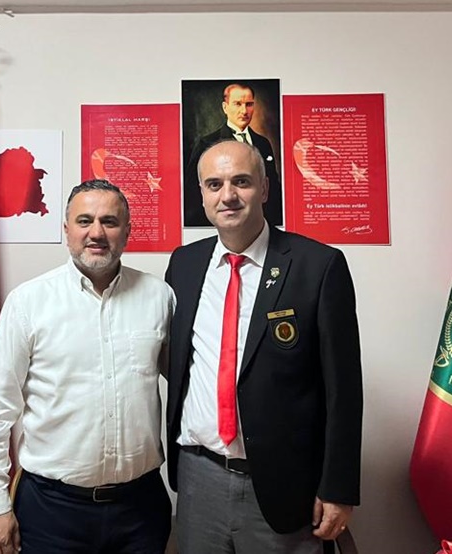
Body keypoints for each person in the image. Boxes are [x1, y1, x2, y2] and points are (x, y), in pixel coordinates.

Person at [165, 140, 362, 554]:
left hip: (283, 484)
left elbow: (343, 389)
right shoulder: (184, 264)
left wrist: (338, 488)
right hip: (200, 478)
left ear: (265, 188)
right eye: (214, 184)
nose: (228, 196)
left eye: (241, 182)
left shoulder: (318, 266)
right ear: (201, 194)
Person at [0, 179, 174, 554]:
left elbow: (189, 383)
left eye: (110, 221)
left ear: (127, 231)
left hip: (140, 510)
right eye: (85, 221)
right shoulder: (29, 302)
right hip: (52, 511)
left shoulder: (159, 297)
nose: (96, 232)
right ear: (67, 230)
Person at [184, 83, 283, 227]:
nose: (244, 111)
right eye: (238, 104)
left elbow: (273, 189)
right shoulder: (206, 144)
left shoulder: (263, 143)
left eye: (249, 104)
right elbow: (193, 194)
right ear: (225, 107)